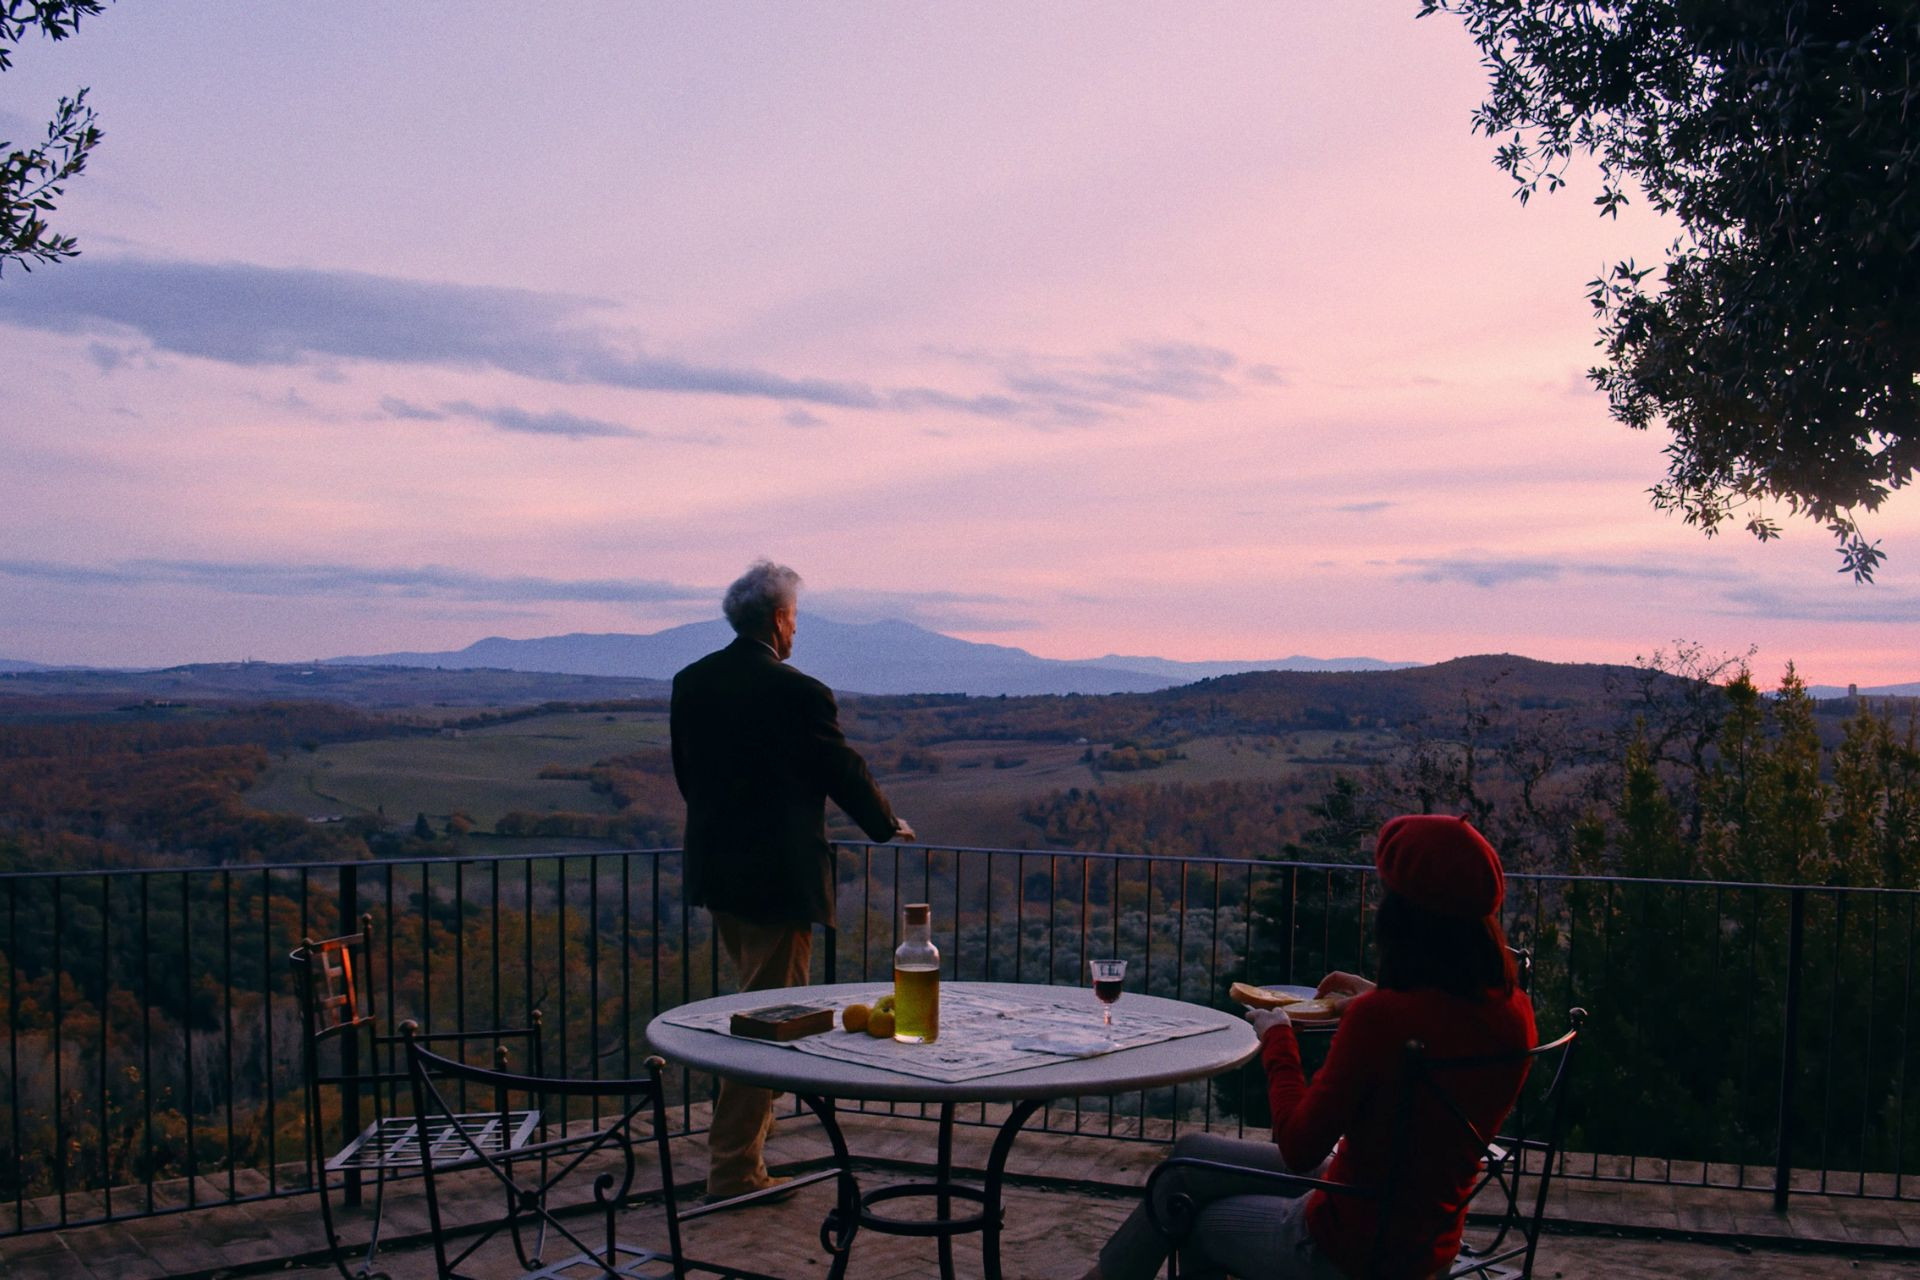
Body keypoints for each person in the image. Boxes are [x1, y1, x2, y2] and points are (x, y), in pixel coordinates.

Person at [1085, 815, 1535, 1280]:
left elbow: (1298, 1146)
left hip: (1346, 1246)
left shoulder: (1381, 1020)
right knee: (1188, 1155)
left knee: (1186, 1213)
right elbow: (1442, 1027)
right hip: (1424, 1237)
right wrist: (1374, 993)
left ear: (1403, 917)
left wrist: (1277, 1037)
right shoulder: (1513, 1012)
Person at [670, 560, 915, 1202]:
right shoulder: (798, 691)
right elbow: (842, 768)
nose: (796, 632)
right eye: (795, 620)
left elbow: (687, 777)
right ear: (780, 620)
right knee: (764, 1028)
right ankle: (733, 1173)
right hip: (778, 882)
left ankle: (742, 1161)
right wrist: (885, 826)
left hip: (717, 873)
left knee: (756, 1015)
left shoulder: (692, 682)